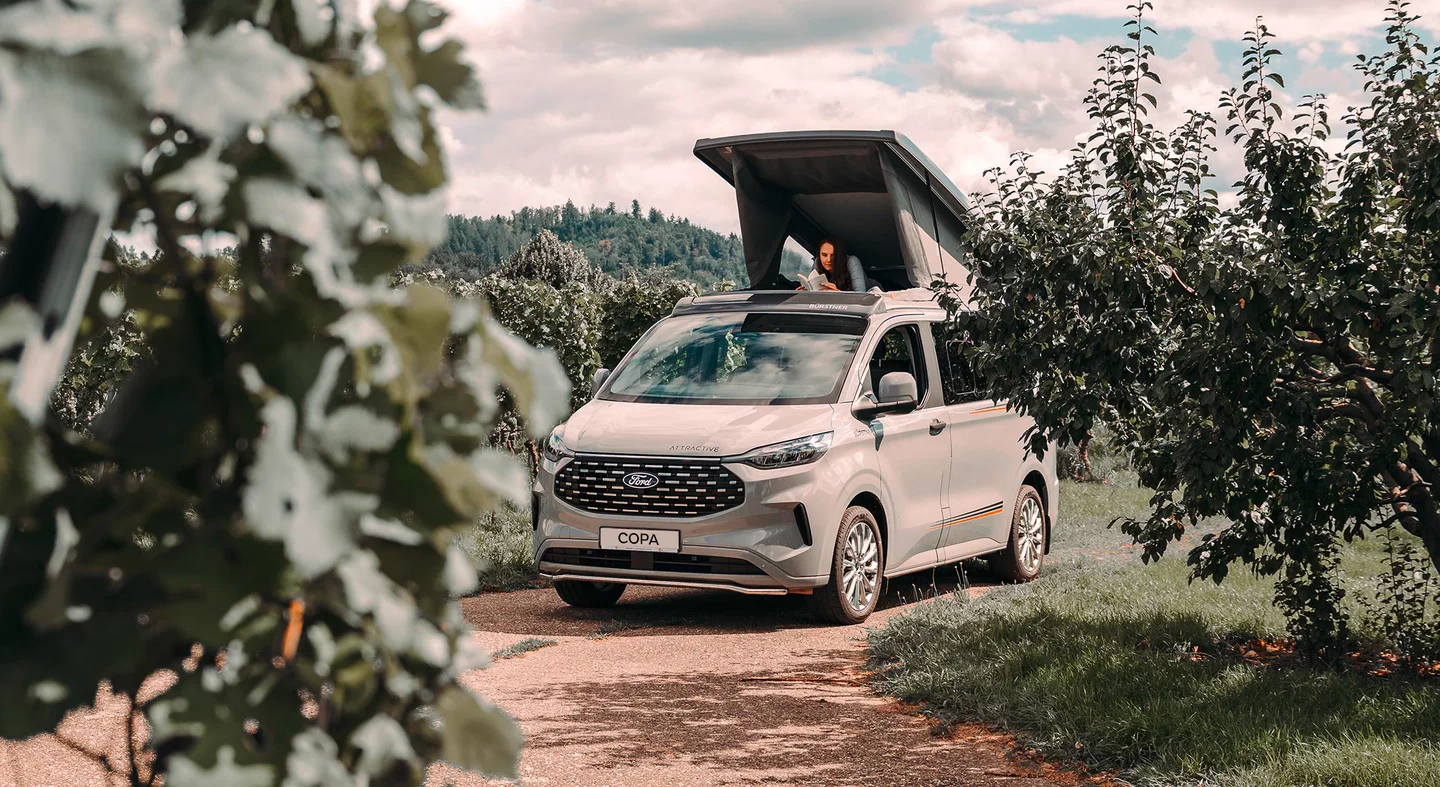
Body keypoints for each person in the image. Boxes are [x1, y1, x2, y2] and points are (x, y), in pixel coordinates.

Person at [801, 237, 873, 292]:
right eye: (824, 255)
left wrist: (838, 294)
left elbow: (861, 293)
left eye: (833, 255)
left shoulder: (851, 261)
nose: (829, 260)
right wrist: (805, 293)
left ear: (839, 255)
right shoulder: (818, 262)